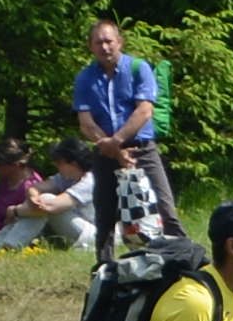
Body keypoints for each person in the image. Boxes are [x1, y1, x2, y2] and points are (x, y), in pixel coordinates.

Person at [62, 22, 163, 255]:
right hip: (105, 152)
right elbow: (86, 123)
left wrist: (117, 141)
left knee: (163, 206)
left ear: (119, 42)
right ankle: (104, 268)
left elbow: (144, 111)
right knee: (105, 212)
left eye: (109, 41)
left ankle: (180, 261)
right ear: (90, 46)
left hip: (142, 150)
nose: (104, 47)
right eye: (98, 42)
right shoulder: (85, 78)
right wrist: (115, 150)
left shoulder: (139, 69)